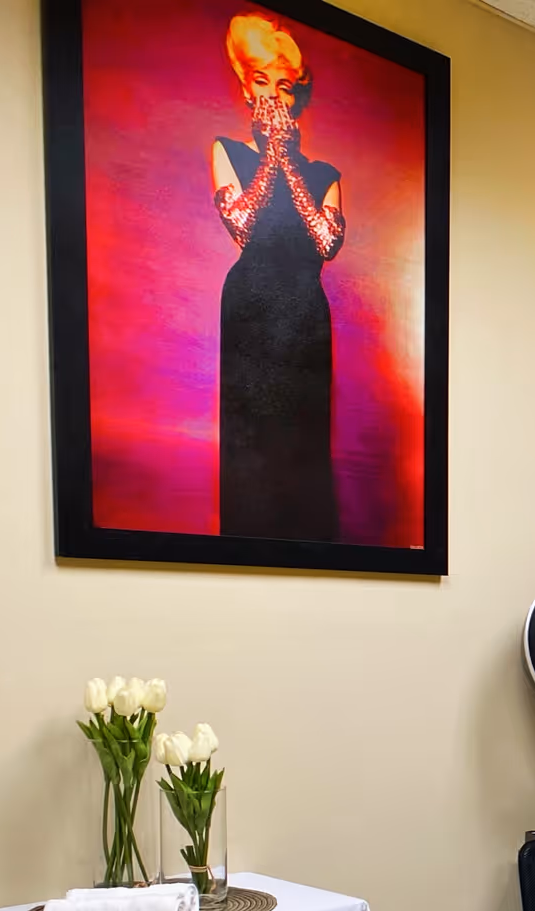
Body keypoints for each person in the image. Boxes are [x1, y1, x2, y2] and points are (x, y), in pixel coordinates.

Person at [210, 13, 345, 541]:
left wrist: (289, 160)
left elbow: (325, 242)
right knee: (249, 439)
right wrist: (269, 158)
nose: (271, 96)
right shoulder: (229, 152)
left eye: (283, 87)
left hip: (305, 314)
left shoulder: (324, 175)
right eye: (261, 81)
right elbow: (241, 225)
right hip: (248, 307)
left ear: (296, 98)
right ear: (246, 87)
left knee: (303, 438)